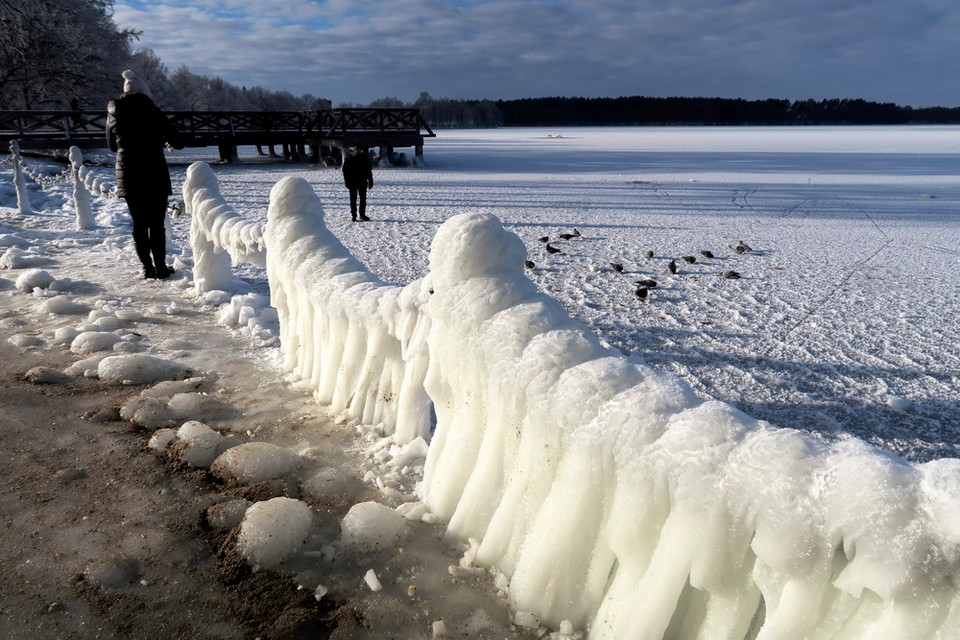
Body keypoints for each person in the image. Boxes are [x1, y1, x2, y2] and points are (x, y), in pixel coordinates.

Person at [106, 69, 185, 279]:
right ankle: (161, 267)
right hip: (153, 170)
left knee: (139, 223)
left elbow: (112, 146)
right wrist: (162, 140)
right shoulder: (152, 111)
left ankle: (147, 268)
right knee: (156, 224)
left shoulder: (114, 113)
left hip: (128, 172)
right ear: (145, 92)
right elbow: (178, 141)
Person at [341, 146, 374, 221]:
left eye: (361, 150)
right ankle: (354, 215)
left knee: (363, 199)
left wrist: (371, 181)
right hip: (352, 182)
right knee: (353, 199)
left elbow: (369, 170)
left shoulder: (364, 158)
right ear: (354, 150)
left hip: (362, 181)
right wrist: (347, 182)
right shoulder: (349, 158)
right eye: (358, 150)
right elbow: (345, 171)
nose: (359, 151)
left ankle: (362, 214)